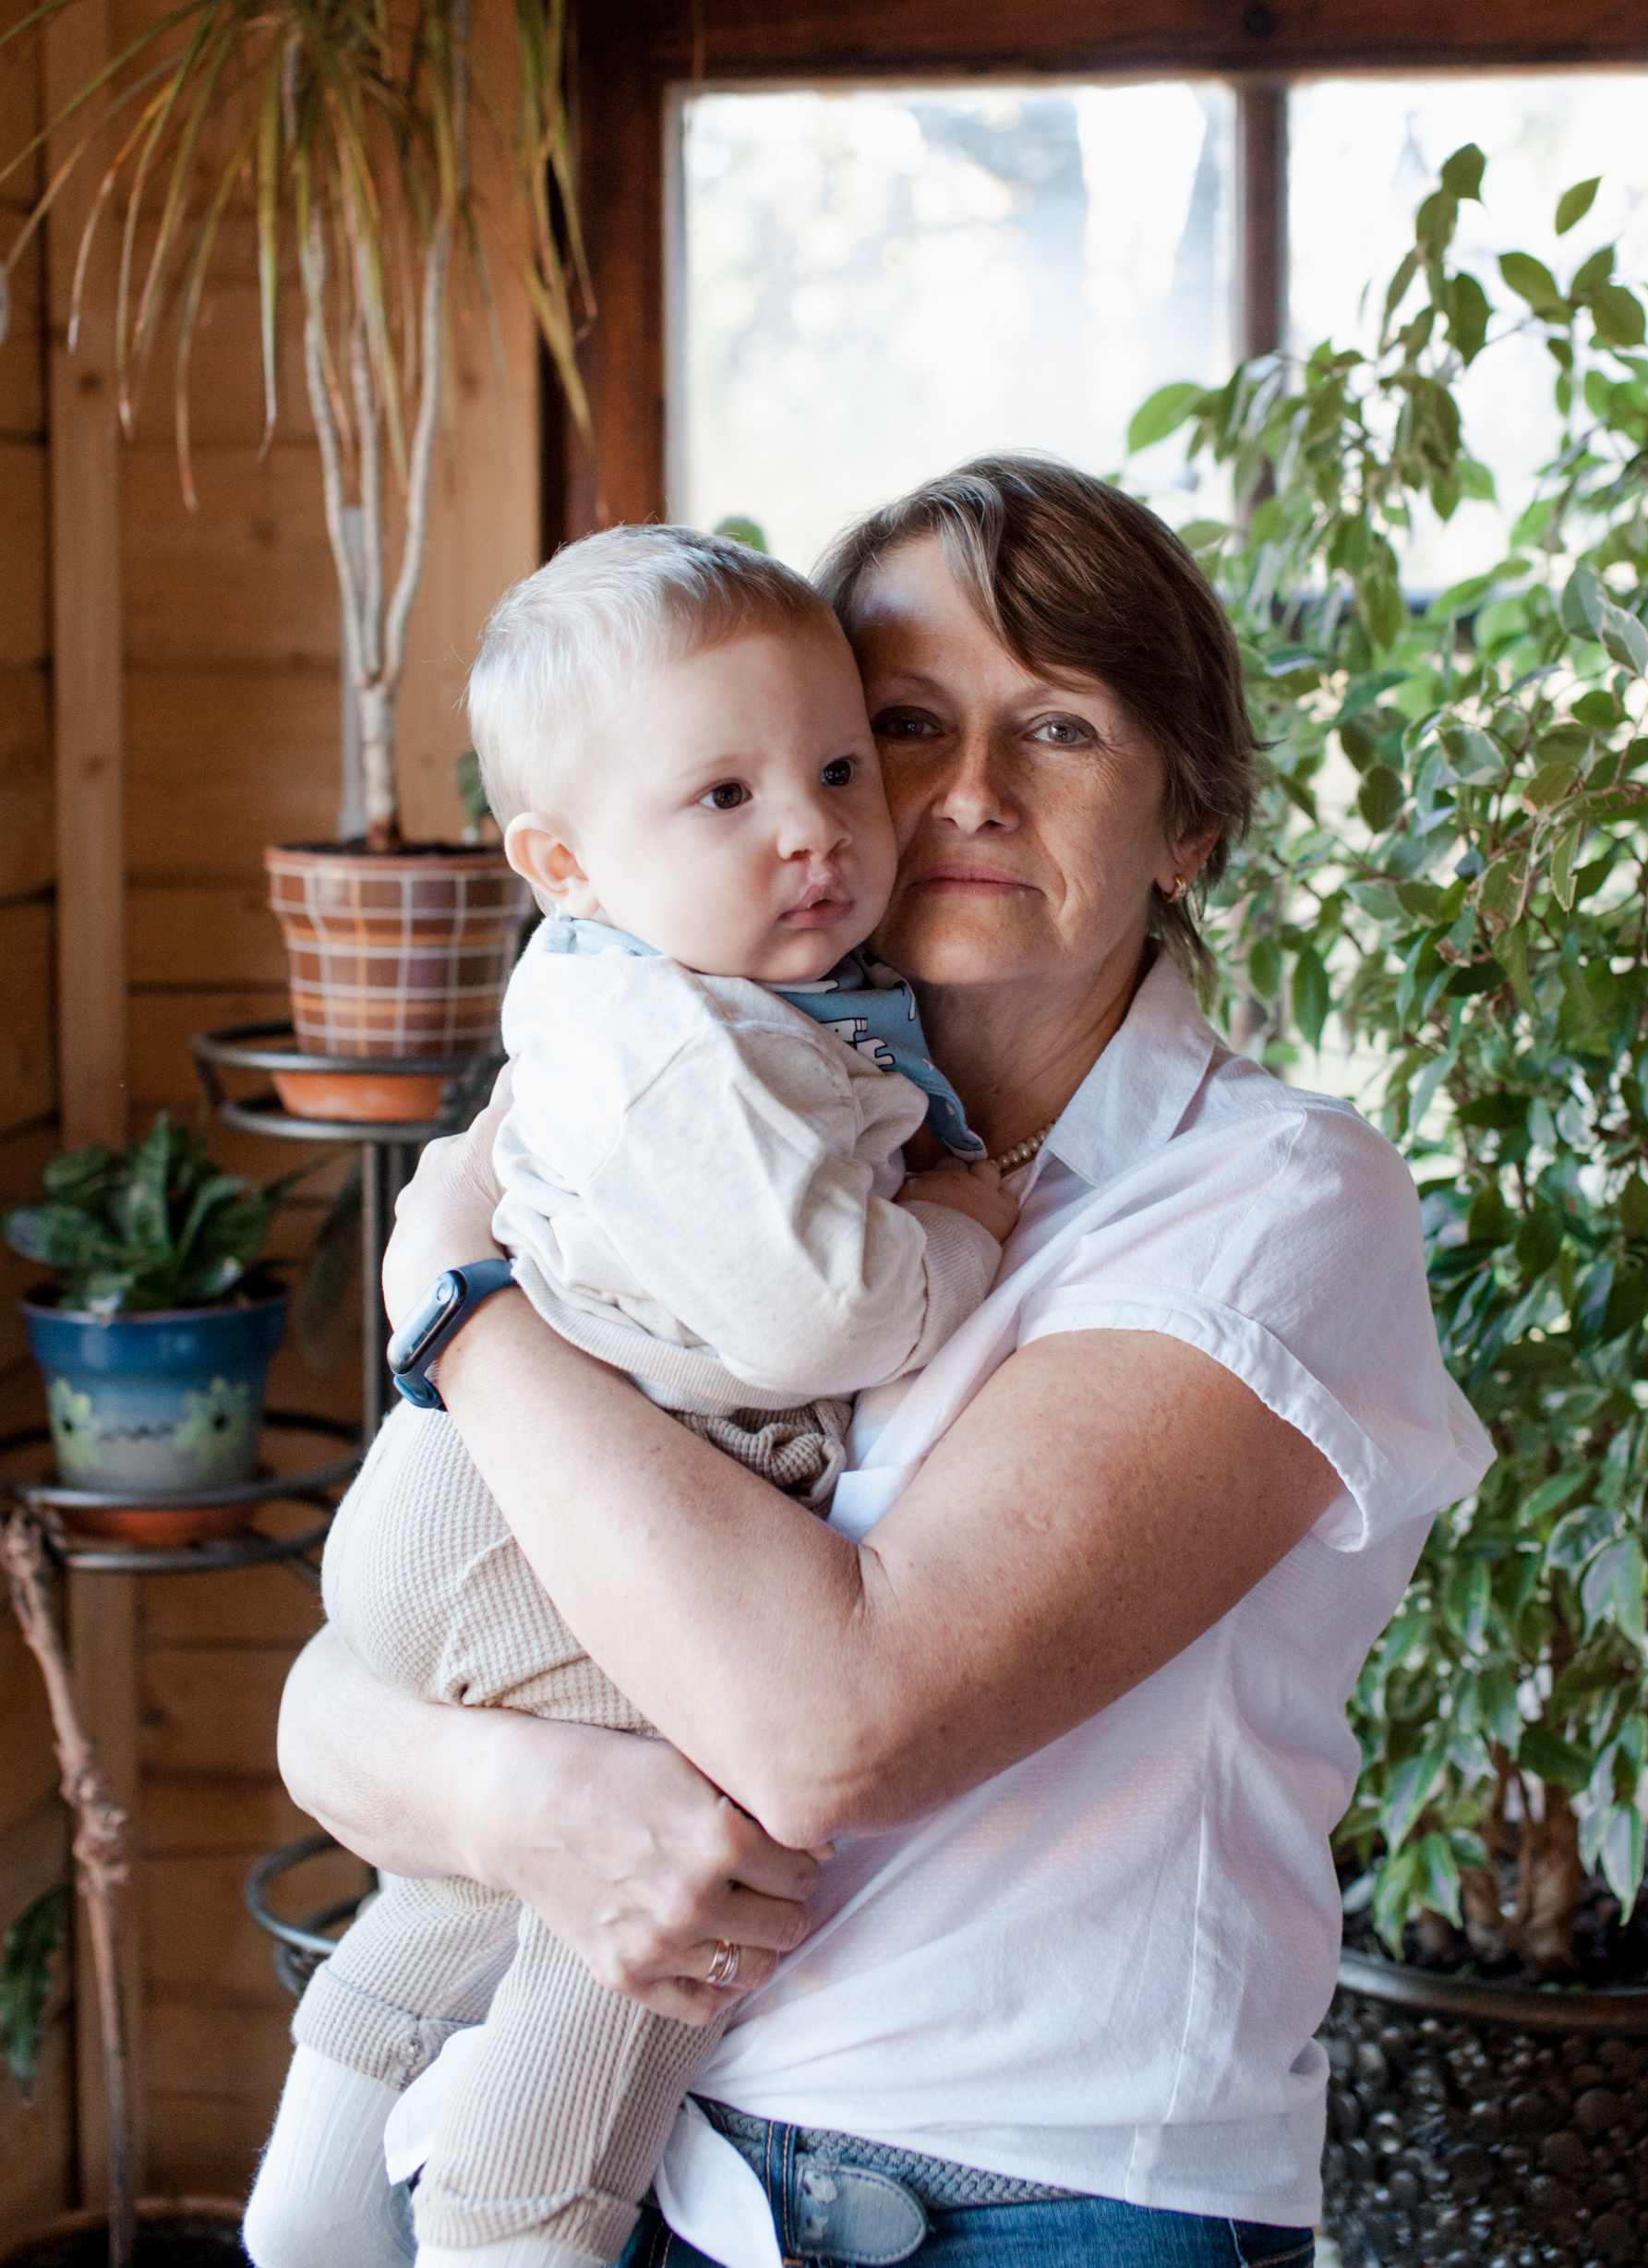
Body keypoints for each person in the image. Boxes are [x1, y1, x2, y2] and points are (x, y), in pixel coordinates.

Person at [269, 455, 1491, 2268]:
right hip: (643, 2161)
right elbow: (342, 1699)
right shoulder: (701, 1096)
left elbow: (833, 1731)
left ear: (1187, 826)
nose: (970, 791)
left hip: (1028, 2199)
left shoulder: (1274, 1202)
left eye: (1059, 729)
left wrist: (457, 1305)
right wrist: (527, 1800)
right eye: (909, 724)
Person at [246, 530, 1018, 2268]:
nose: (814, 829)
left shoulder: (689, 997)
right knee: (697, 1841)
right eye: (726, 795)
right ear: (565, 863)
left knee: (472, 1878)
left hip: (473, 1495)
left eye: (840, 769)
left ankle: (316, 2201)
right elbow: (828, 1312)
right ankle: (520, 2227)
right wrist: (963, 1230)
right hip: (524, 1517)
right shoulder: (671, 1044)